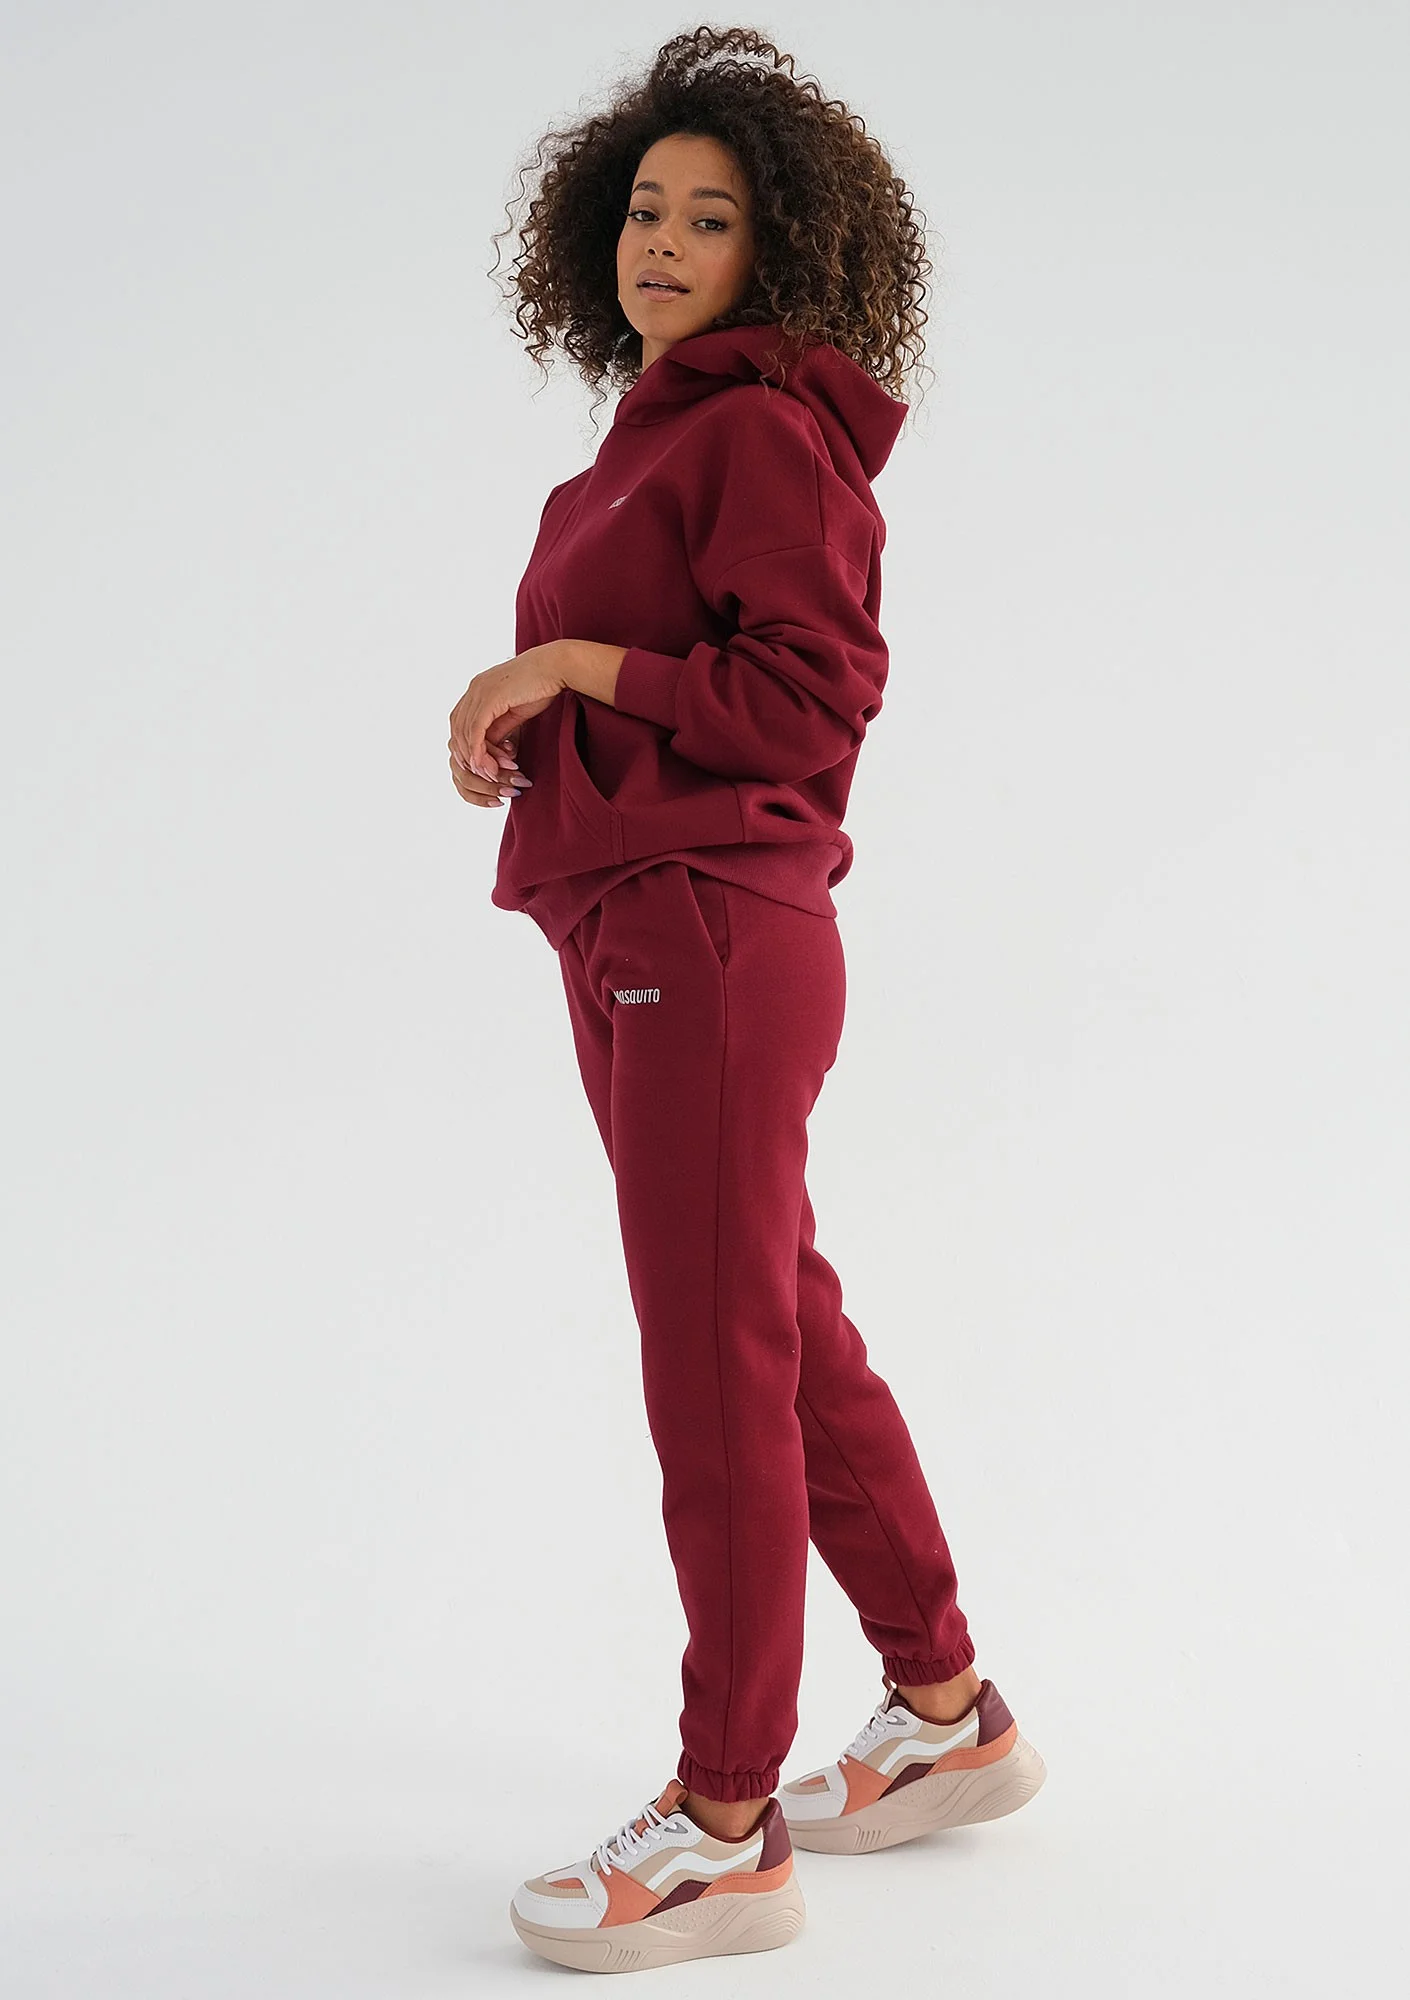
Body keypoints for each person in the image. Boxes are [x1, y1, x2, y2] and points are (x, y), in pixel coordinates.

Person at [449, 26, 1045, 1975]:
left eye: (711, 217)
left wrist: (570, 676)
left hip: (703, 928)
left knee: (713, 1359)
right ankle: (943, 1711)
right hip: (639, 920)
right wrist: (534, 729)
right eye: (645, 207)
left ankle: (724, 1825)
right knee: (771, 1313)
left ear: (779, 251)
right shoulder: (644, 443)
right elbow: (680, 678)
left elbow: (807, 698)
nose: (663, 240)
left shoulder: (762, 431)